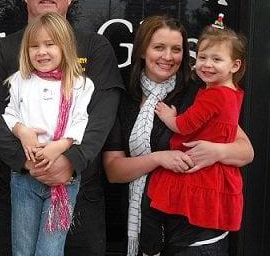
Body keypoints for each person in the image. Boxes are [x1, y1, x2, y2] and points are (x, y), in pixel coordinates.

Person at [0, 0, 123, 256]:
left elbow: (103, 112)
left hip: (78, 191)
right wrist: (26, 160)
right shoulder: (1, 51)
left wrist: (72, 159)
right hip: (15, 189)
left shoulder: (95, 48)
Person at [102, 15, 254, 256]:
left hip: (196, 230)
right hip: (142, 225)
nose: (167, 57)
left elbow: (246, 151)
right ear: (142, 51)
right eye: (159, 47)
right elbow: (113, 171)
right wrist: (160, 158)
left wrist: (217, 151)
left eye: (176, 49)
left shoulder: (199, 94)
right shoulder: (123, 97)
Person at [141, 20, 247, 255]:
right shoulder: (230, 93)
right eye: (202, 57)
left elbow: (246, 150)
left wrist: (170, 117)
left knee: (154, 203)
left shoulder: (209, 94)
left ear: (235, 65)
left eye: (216, 59)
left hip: (196, 177)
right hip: (204, 180)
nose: (207, 65)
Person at [2, 12, 95, 255]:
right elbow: (10, 114)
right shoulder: (20, 80)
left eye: (50, 44)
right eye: (34, 46)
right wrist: (23, 132)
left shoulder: (79, 84)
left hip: (64, 179)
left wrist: (59, 146)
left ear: (64, 46)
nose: (41, 52)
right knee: (22, 249)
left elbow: (80, 122)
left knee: (50, 250)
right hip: (25, 178)